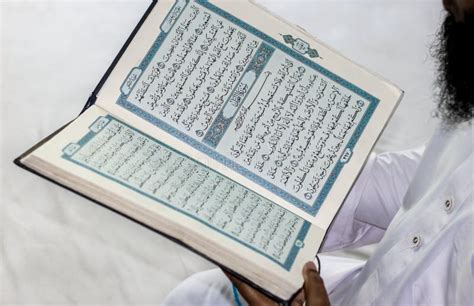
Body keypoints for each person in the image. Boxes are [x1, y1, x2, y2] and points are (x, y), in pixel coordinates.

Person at [163, 0, 474, 304]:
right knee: (195, 295)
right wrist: (285, 171)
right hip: (355, 286)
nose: (447, 4)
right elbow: (417, 184)